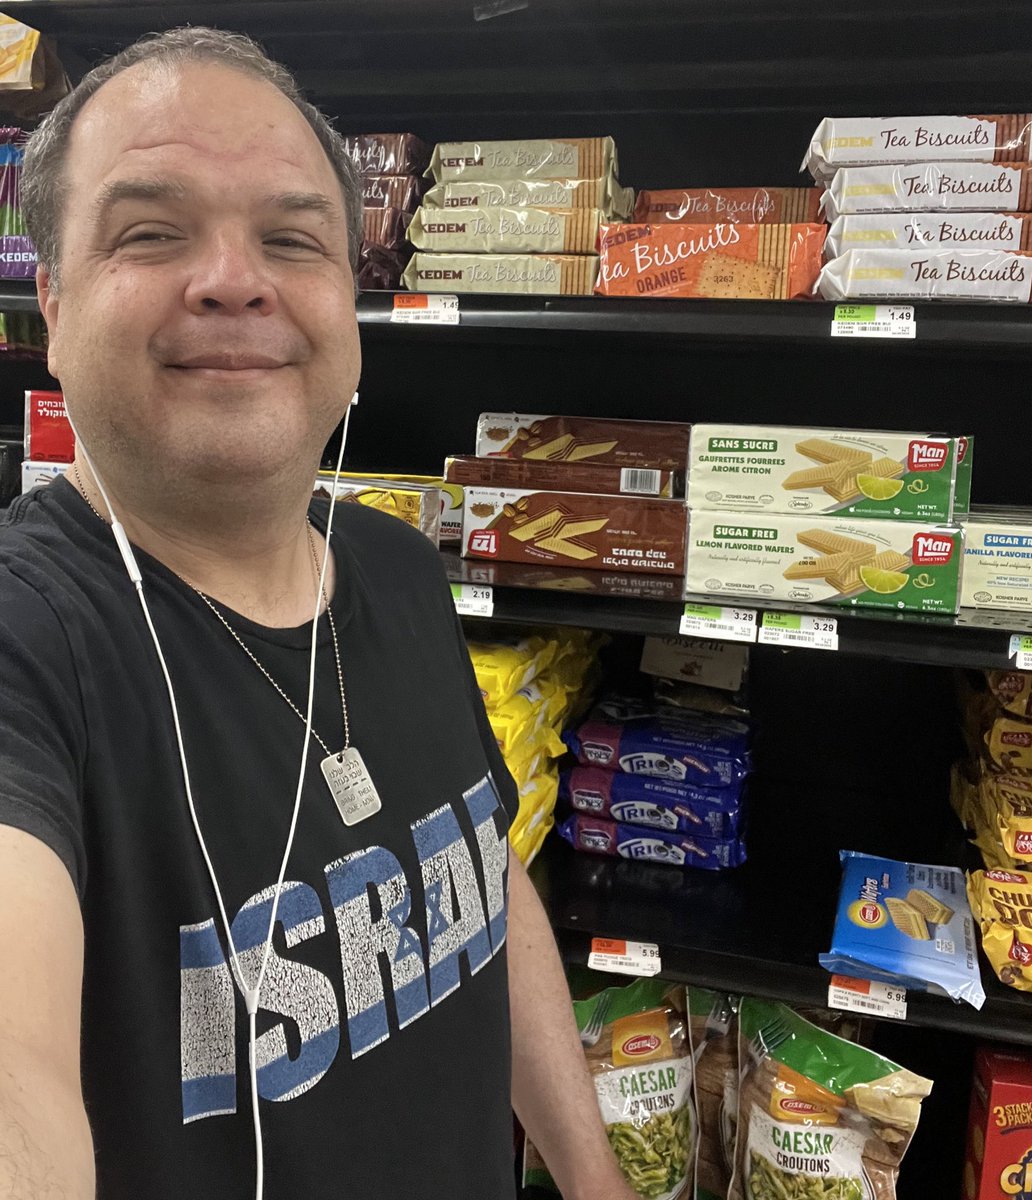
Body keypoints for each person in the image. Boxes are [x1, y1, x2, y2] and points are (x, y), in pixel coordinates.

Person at [0, 26, 639, 1200]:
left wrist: (592, 1178)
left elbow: (482, 881)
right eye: (150, 232)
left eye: (291, 240)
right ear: (49, 300)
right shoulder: (29, 644)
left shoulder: (395, 569)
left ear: (348, 305)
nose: (235, 280)